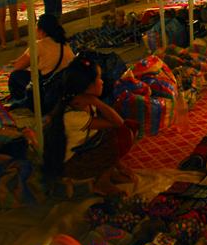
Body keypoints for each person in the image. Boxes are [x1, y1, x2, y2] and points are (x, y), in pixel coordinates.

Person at [42, 57, 139, 196]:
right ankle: (102, 183)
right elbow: (118, 123)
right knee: (123, 132)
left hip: (83, 151)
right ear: (88, 86)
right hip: (72, 166)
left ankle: (108, 174)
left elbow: (112, 126)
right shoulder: (73, 115)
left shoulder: (82, 102)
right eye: (99, 79)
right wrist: (95, 100)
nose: (102, 82)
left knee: (129, 128)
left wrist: (117, 163)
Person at [9, 14, 75, 104]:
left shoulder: (39, 45)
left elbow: (18, 66)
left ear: (41, 31)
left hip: (51, 86)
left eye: (36, 26)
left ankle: (27, 98)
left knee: (15, 76)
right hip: (69, 83)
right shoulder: (63, 42)